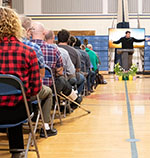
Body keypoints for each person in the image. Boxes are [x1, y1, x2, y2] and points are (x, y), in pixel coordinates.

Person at [0, 7, 41, 158]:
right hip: (16, 114)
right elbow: (36, 88)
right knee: (18, 103)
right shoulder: (28, 52)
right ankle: (17, 152)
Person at [21, 16, 57, 137]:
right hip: (26, 93)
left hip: (4, 96)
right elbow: (40, 75)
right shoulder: (33, 48)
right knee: (47, 91)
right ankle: (45, 127)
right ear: (27, 31)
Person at [31, 23, 81, 108]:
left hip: (27, 87)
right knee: (62, 79)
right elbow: (62, 72)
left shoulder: (25, 47)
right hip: (49, 87)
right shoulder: (55, 50)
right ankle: (74, 99)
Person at [57, 29, 85, 95]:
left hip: (54, 80)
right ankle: (76, 97)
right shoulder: (74, 51)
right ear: (68, 39)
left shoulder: (53, 49)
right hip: (68, 77)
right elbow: (78, 69)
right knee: (82, 79)